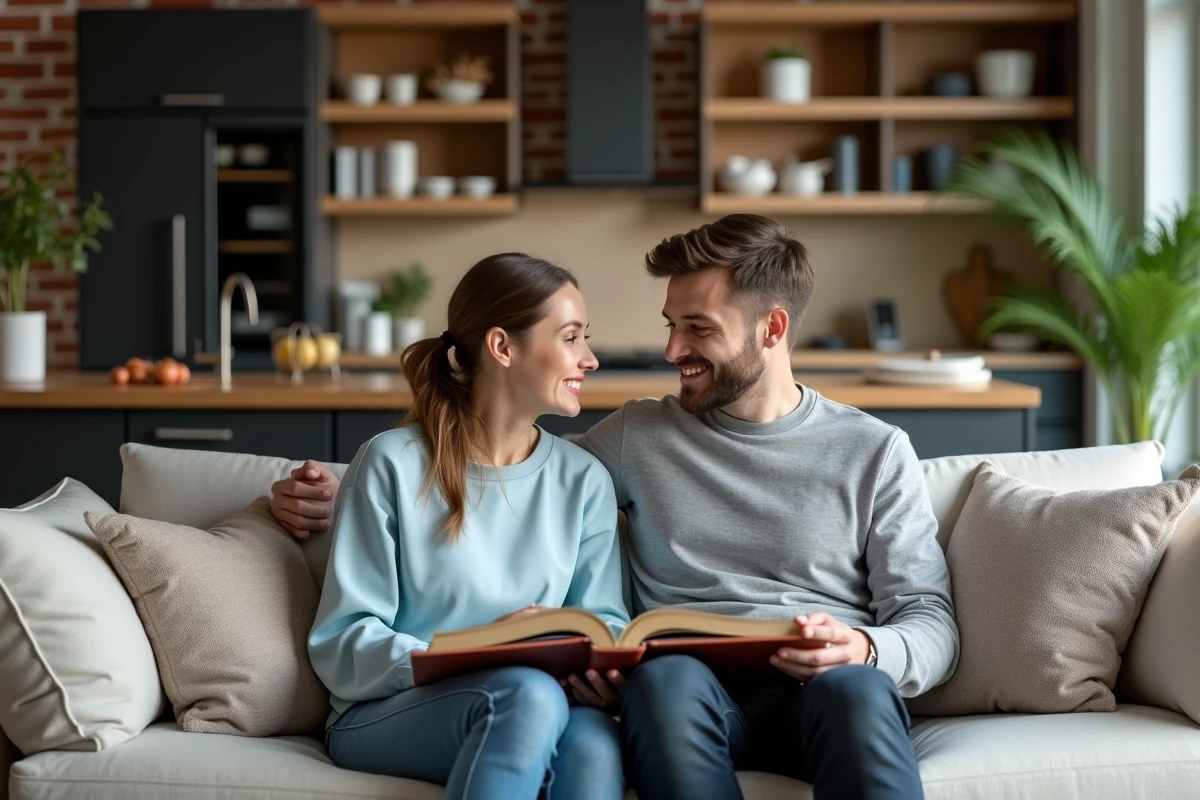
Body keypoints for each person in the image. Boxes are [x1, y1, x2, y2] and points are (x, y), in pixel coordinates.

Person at [276, 215, 958, 800]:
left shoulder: (873, 449)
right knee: (662, 686)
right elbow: (487, 458)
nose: (670, 352)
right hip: (685, 689)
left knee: (860, 690)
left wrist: (866, 646)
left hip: (822, 686)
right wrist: (322, 491)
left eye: (697, 329)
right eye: (670, 326)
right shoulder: (634, 438)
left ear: (772, 328)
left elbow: (929, 619)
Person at [304, 253, 629, 800]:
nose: (589, 359)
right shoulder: (392, 463)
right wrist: (481, 651)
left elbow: (607, 623)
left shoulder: (584, 480)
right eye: (571, 337)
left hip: (542, 697)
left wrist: (597, 669)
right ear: (503, 347)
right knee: (525, 695)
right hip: (389, 710)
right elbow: (344, 641)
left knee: (592, 745)